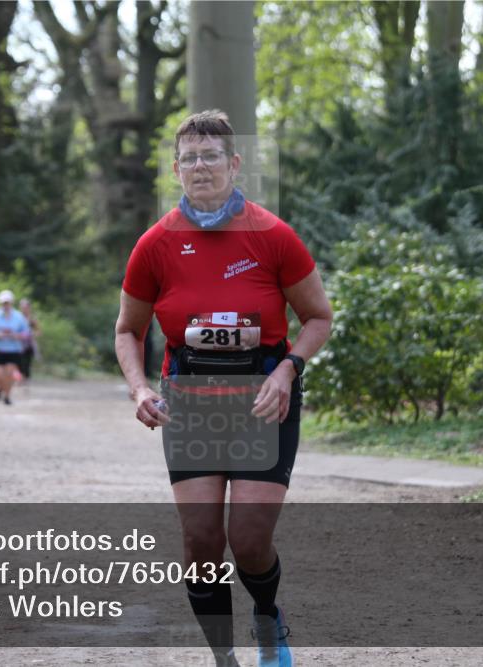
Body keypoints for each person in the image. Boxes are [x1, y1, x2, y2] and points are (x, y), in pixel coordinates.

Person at [114, 110, 332, 667]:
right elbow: (127, 331)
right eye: (189, 158)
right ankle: (223, 658)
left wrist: (288, 370)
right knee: (202, 544)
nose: (200, 167)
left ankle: (268, 618)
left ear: (235, 164)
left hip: (263, 400)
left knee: (250, 539)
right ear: (176, 169)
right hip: (190, 402)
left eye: (211, 156)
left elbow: (318, 318)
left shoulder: (274, 236)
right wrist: (140, 389)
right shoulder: (156, 244)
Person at [0, 290, 30, 405]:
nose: (6, 305)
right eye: (4, 303)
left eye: (8, 302)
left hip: (14, 350)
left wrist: (17, 336)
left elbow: (26, 333)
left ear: (11, 303)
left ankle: (7, 396)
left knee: (10, 374)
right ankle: (0, 388)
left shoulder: (19, 317)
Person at [17, 297, 40, 382]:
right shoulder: (16, 318)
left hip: (28, 344)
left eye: (26, 307)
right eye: (22, 307)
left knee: (27, 363)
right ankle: (19, 379)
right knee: (18, 362)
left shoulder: (32, 319)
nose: (24, 309)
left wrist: (33, 334)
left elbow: (38, 331)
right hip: (18, 344)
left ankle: (25, 379)